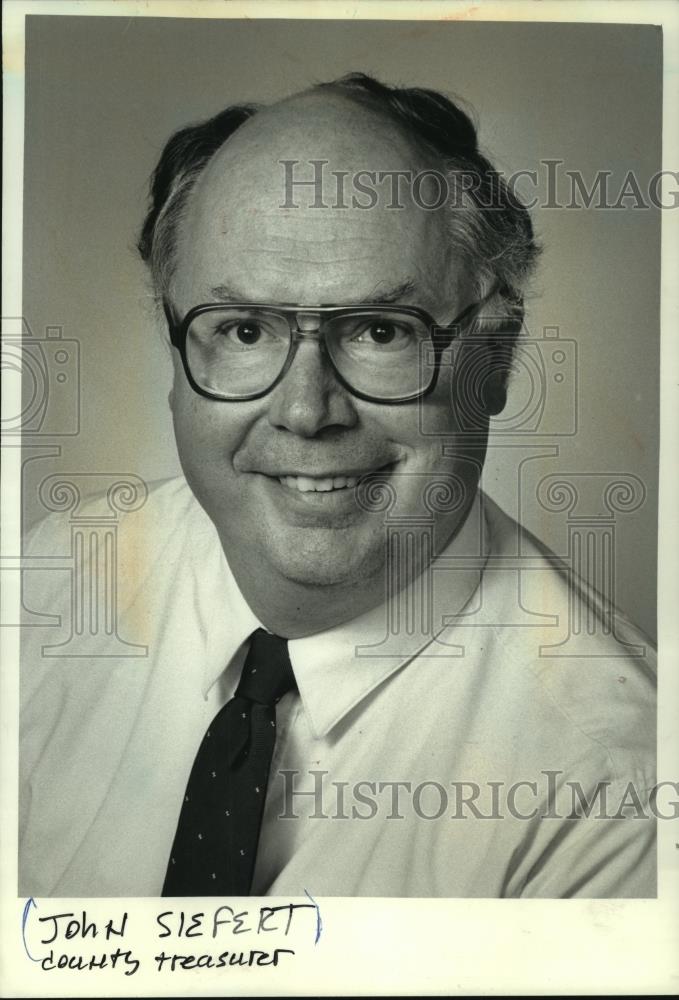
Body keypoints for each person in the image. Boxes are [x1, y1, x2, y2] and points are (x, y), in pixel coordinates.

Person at [19, 73, 656, 898]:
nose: (304, 409)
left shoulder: (614, 793)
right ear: (176, 350)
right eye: (243, 329)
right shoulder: (52, 586)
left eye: (381, 331)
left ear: (495, 359)